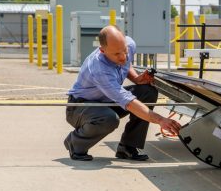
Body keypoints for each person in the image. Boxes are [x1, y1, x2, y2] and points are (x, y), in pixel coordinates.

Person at [64, 25, 181, 161]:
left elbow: (126, 63)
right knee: (109, 118)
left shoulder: (128, 44)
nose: (123, 57)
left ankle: (127, 147)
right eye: (116, 54)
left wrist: (136, 78)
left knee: (147, 91)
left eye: (124, 51)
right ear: (102, 51)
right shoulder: (98, 69)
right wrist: (160, 120)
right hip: (80, 107)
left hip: (107, 101)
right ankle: (75, 143)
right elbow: (129, 102)